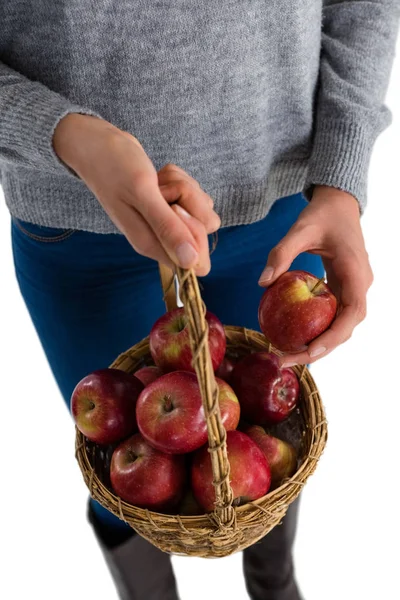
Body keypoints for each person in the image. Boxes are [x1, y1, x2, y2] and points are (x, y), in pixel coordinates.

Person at [1, 2, 399, 599]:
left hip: (281, 212)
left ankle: (275, 584)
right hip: (79, 226)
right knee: (119, 468)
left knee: (267, 448)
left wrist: (340, 179)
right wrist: (64, 134)